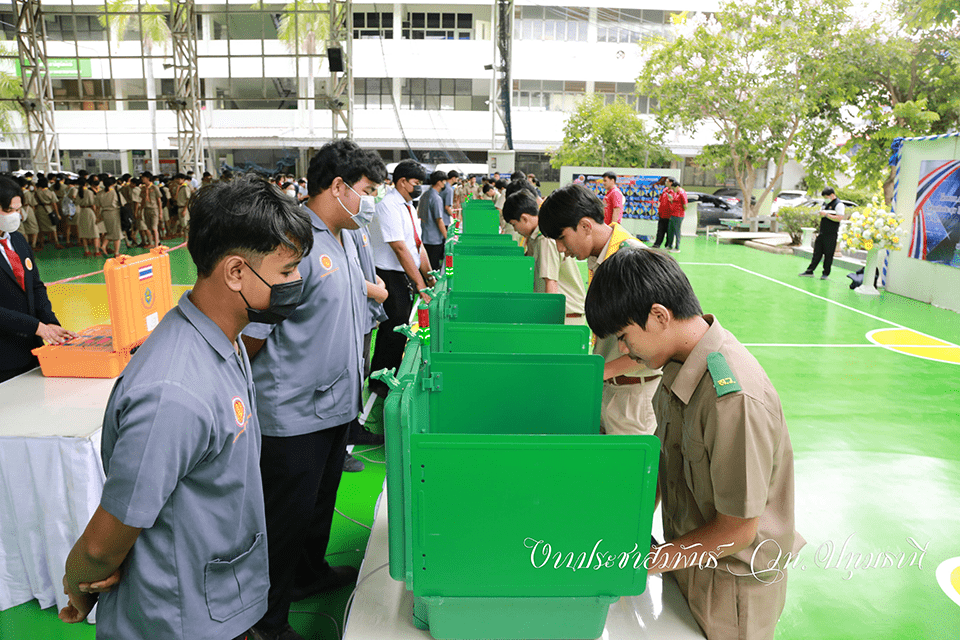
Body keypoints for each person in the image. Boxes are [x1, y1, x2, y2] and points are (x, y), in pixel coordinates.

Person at [59, 174, 312, 640]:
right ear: (236, 272)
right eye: (287, 270)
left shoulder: (224, 340)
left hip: (214, 595)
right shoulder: (174, 391)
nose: (297, 282)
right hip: (179, 616)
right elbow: (103, 543)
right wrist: (79, 583)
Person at [584, 248, 804, 640]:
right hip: (691, 559)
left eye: (623, 336)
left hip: (731, 585)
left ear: (659, 316)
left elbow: (738, 530)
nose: (622, 350)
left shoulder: (732, 399)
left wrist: (646, 562)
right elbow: (663, 460)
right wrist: (626, 527)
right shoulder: (678, 365)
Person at [241, 141, 386, 640]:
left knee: (320, 502)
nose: (369, 202)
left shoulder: (346, 238)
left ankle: (309, 574)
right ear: (338, 187)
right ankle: (266, 622)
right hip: (293, 414)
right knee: (284, 521)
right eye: (366, 191)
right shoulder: (292, 243)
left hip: (334, 407)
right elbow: (253, 336)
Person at [538, 183, 660, 436]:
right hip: (610, 389)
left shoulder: (633, 261)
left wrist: (596, 372)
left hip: (633, 396)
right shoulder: (601, 260)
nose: (561, 249)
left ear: (585, 226)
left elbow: (657, 344)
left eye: (562, 238)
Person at [368, 159, 434, 403]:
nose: (418, 187)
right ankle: (379, 381)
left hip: (402, 273)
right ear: (402, 181)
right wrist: (419, 284)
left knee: (400, 328)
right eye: (416, 183)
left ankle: (391, 375)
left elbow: (417, 245)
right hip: (388, 274)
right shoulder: (388, 206)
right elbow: (399, 247)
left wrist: (428, 276)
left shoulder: (408, 206)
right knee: (393, 330)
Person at [0, 176, 75, 383]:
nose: (16, 216)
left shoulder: (17, 240)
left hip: (30, 350)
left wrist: (50, 323)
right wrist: (36, 326)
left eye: (18, 209)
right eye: (9, 211)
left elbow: (35, 286)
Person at [502, 190, 586, 324]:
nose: (515, 230)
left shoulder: (544, 240)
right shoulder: (534, 238)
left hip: (564, 317)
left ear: (524, 218)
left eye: (514, 224)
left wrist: (548, 326)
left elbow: (551, 284)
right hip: (559, 314)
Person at [800, 187, 845, 279]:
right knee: (817, 252)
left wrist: (827, 215)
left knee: (828, 254)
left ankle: (825, 274)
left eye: (826, 196)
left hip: (831, 233)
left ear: (832, 195)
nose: (825, 198)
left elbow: (839, 218)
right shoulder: (825, 203)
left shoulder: (839, 204)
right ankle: (810, 271)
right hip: (822, 232)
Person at [419, 170, 448, 271]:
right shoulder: (436, 198)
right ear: (439, 182)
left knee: (425, 267)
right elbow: (439, 220)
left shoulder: (424, 195)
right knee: (433, 267)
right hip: (434, 239)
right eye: (444, 181)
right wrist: (447, 237)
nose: (445, 183)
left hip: (424, 236)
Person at [94, 176, 125, 256]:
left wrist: (97, 217)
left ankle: (103, 246)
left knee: (110, 232)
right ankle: (116, 252)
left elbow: (97, 207)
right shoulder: (115, 192)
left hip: (105, 213)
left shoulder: (99, 193)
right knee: (117, 234)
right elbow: (123, 203)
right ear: (114, 184)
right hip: (114, 213)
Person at [74, 178, 101, 257]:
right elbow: (93, 204)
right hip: (89, 212)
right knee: (95, 232)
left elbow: (76, 202)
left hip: (81, 211)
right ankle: (96, 251)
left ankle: (86, 251)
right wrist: (96, 214)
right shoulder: (89, 192)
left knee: (83, 232)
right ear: (86, 184)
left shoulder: (78, 192)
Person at [34, 176, 62, 250]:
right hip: (49, 210)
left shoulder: (37, 192)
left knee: (41, 228)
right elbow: (54, 204)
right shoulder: (50, 192)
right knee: (53, 227)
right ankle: (56, 242)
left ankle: (41, 243)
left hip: (39, 210)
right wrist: (58, 214)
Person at [665, 180, 688, 253]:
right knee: (670, 230)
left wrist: (681, 211)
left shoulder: (682, 193)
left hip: (678, 215)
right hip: (673, 214)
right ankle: (670, 246)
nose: (673, 190)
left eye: (674, 188)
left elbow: (685, 205)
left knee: (677, 231)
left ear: (677, 187)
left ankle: (677, 247)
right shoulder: (676, 193)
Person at [653, 178, 674, 249]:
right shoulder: (664, 190)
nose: (666, 182)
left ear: (671, 182)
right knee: (660, 230)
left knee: (669, 231)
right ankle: (657, 244)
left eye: (667, 181)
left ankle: (668, 245)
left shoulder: (673, 192)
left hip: (669, 215)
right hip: (662, 214)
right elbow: (660, 200)